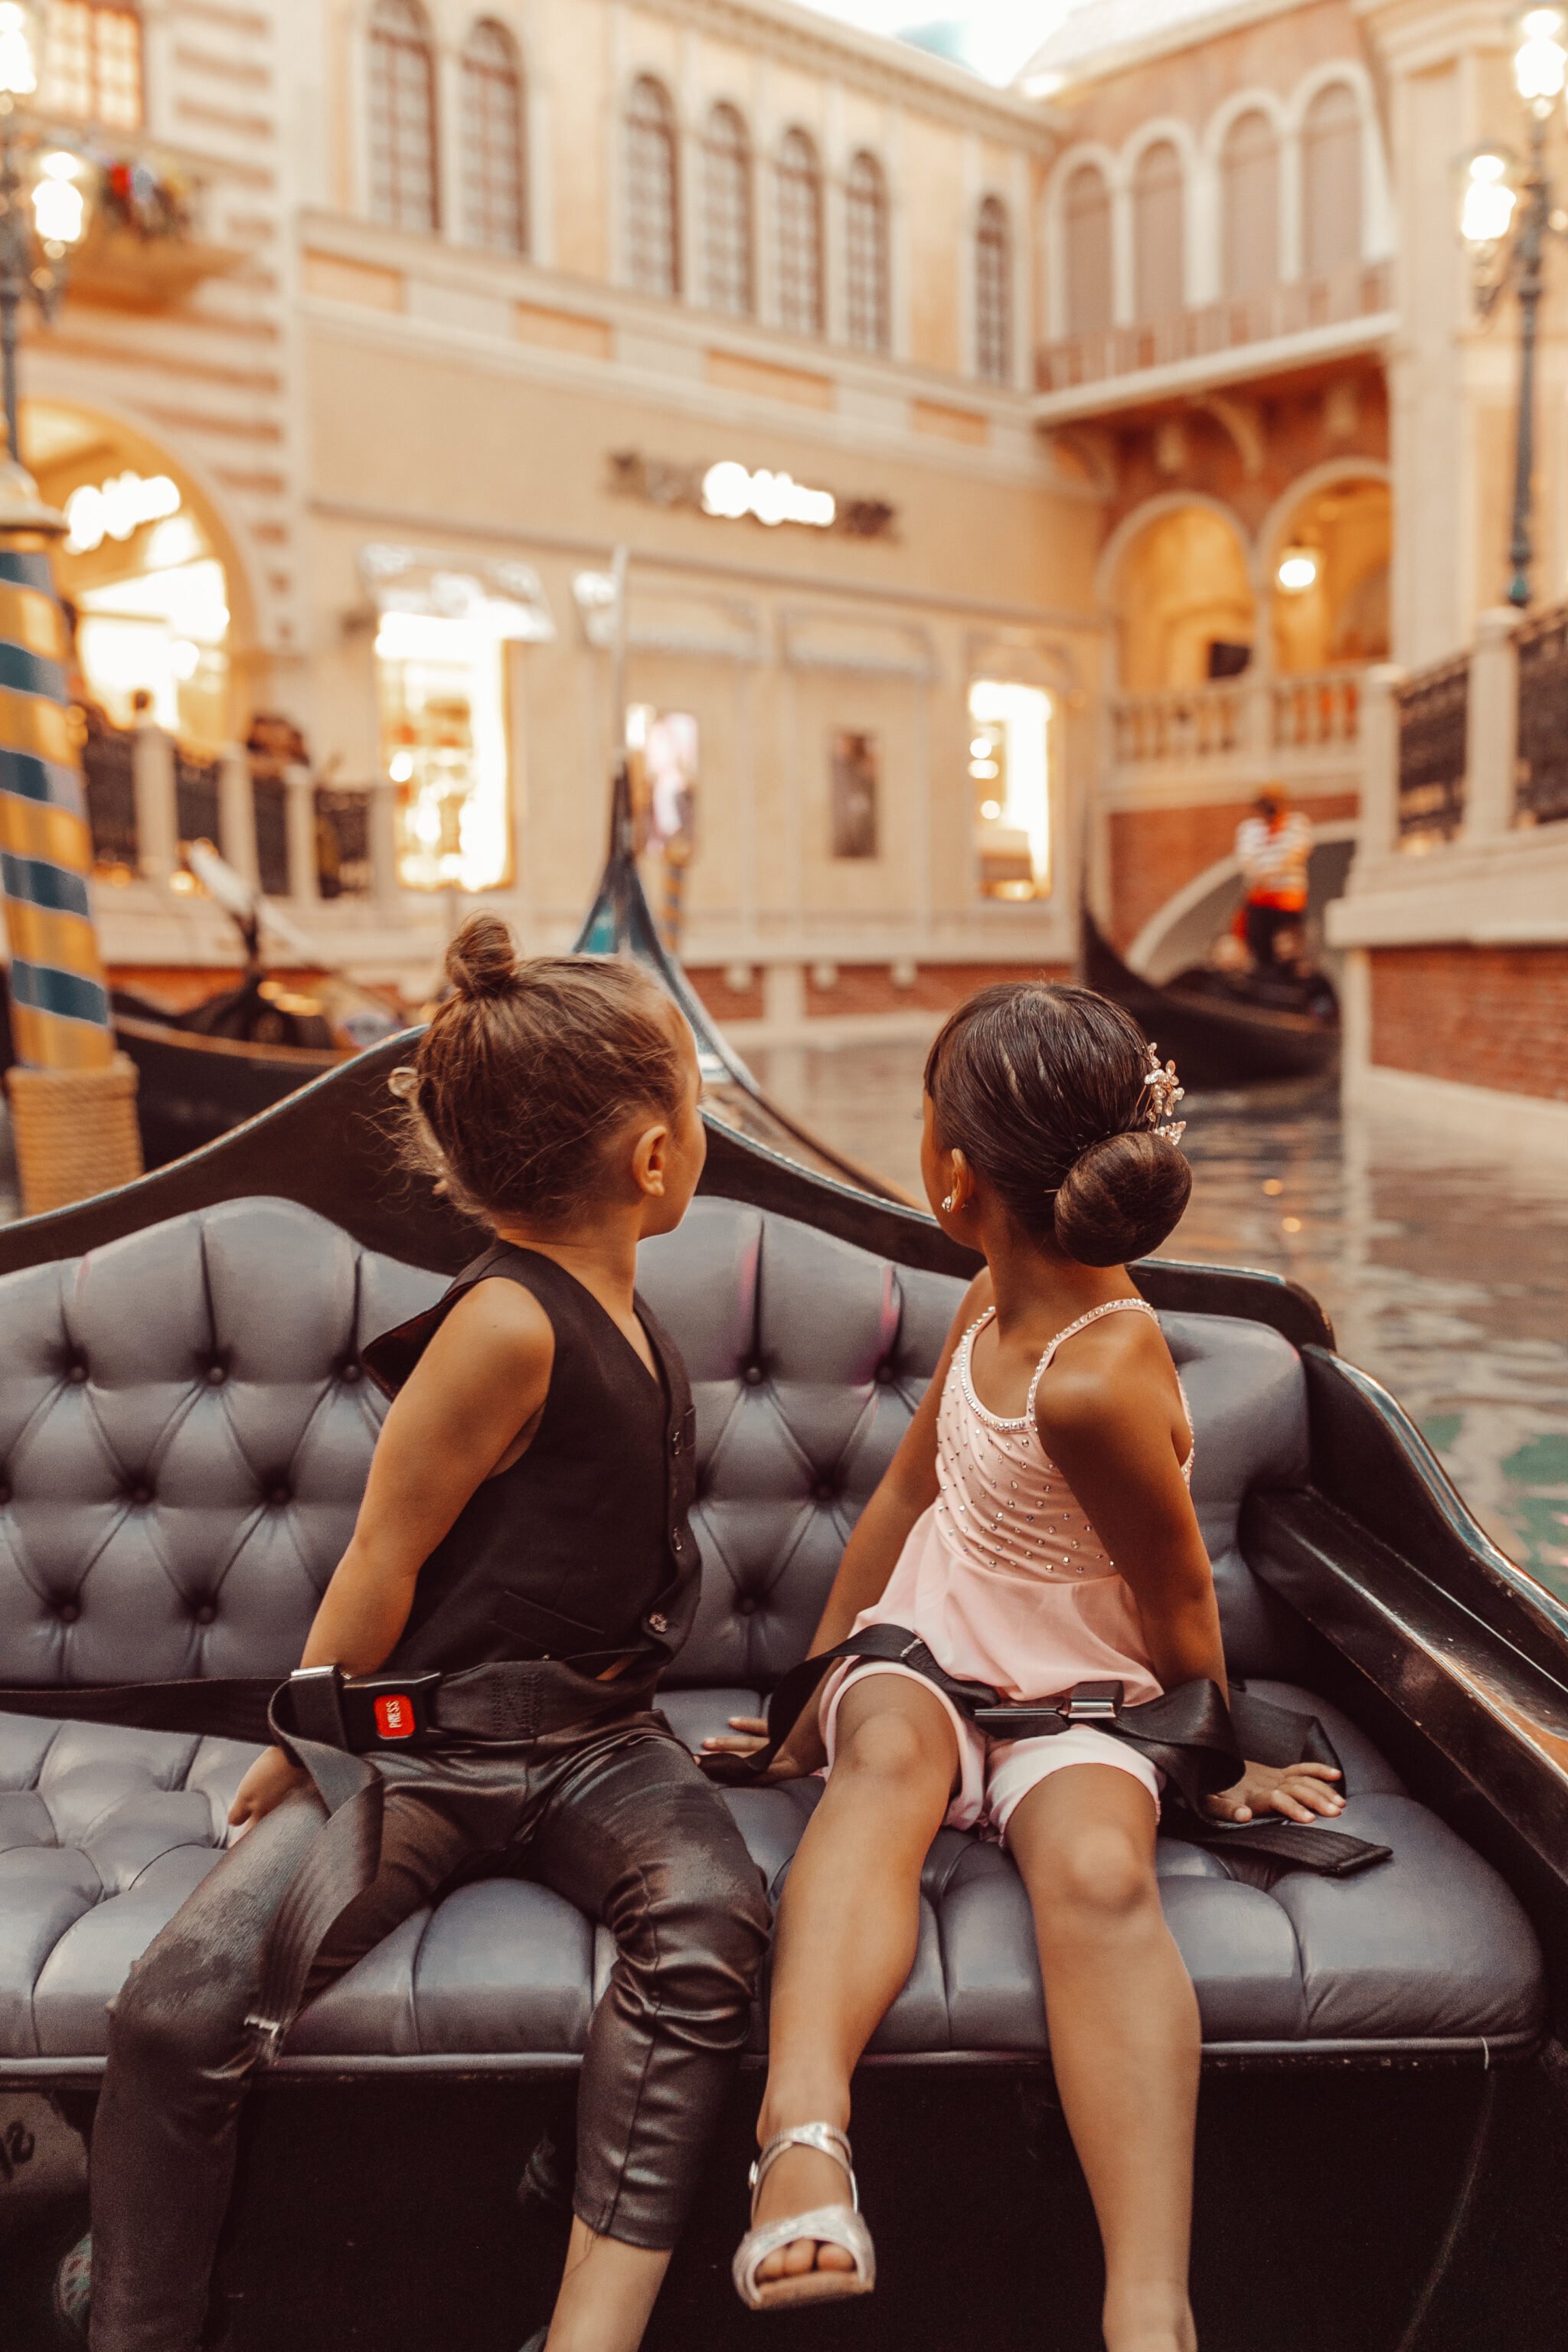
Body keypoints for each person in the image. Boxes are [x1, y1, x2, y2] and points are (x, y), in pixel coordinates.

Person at [74, 916, 771, 2352]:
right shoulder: (506, 1326)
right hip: (427, 1743)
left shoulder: (625, 1313)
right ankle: (139, 2322)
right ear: (654, 1160)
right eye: (698, 1111)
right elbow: (383, 1556)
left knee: (710, 1922)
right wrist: (306, 1737)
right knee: (178, 2007)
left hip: (599, 1743)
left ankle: (589, 2315)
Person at [721, 982, 1344, 2347]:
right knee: (876, 1763)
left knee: (1098, 1867)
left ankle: (1145, 2299)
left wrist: (1215, 1755)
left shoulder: (1091, 1371)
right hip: (935, 1634)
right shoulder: (981, 1304)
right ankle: (803, 2134)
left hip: (1086, 1677)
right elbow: (899, 1500)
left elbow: (1175, 1591)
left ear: (950, 1178)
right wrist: (804, 1692)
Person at [1234, 786, 1312, 972]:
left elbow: (1297, 853)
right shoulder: (1249, 829)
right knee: (1260, 947)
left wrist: (1272, 872)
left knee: (1288, 945)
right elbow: (1247, 860)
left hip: (1288, 901)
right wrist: (1263, 873)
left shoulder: (1297, 823)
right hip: (1260, 899)